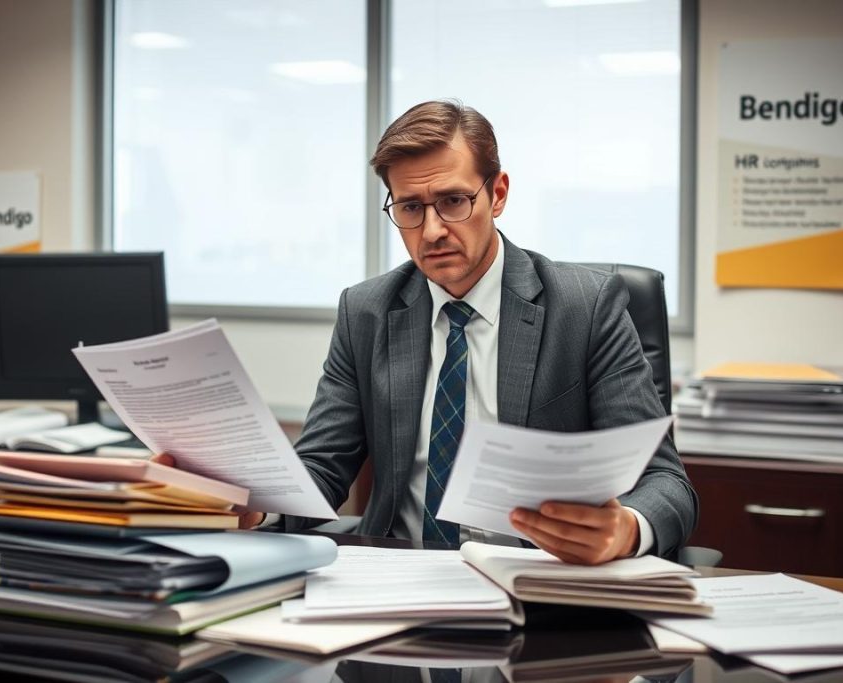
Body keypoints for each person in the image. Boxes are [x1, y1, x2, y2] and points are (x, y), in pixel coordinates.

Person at [162, 100, 697, 564]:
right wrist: (256, 506)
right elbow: (322, 467)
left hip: (540, 586)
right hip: (397, 580)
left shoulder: (584, 306)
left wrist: (624, 530)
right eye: (411, 208)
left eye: (453, 201)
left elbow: (666, 482)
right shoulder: (367, 311)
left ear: (499, 193)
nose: (433, 230)